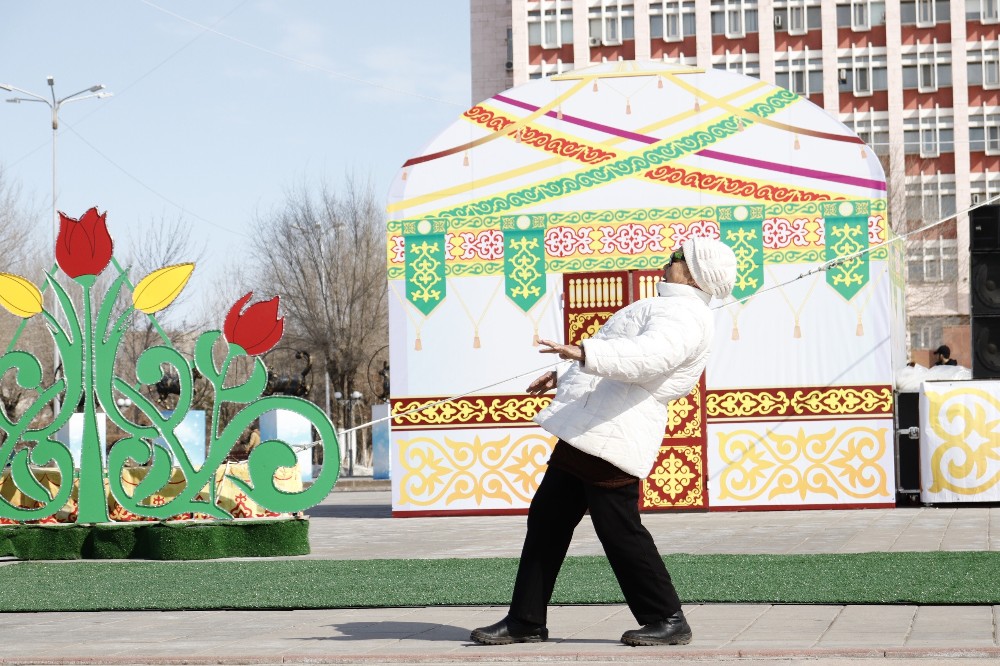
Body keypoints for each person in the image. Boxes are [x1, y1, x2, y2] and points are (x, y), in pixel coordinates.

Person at [470, 236, 737, 648]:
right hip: (596, 428)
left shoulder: (683, 314)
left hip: (616, 430)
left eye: (680, 256)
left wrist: (582, 352)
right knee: (548, 520)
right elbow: (623, 359)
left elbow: (647, 357)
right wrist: (566, 373)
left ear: (697, 272)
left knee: (619, 529)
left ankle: (667, 618)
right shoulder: (672, 307)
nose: (670, 259)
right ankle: (526, 620)